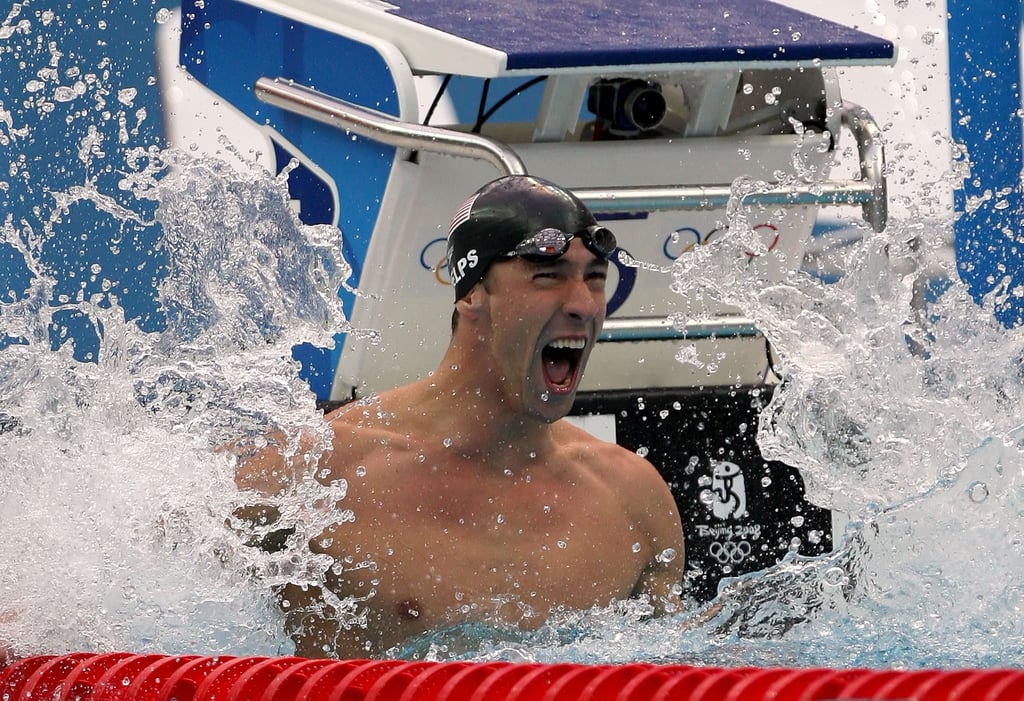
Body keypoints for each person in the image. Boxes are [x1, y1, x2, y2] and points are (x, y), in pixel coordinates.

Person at [235, 175, 686, 658]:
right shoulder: (318, 472)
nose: (582, 305)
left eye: (595, 278)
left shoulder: (634, 501)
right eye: (548, 277)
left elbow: (669, 676)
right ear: (472, 294)